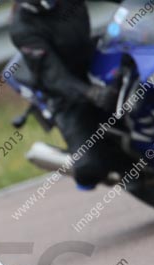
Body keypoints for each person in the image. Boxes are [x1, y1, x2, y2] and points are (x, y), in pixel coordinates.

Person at [10, 0, 125, 189]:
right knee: (90, 168)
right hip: (66, 95)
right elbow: (54, 77)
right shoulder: (23, 27)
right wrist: (91, 93)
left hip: (93, 58)